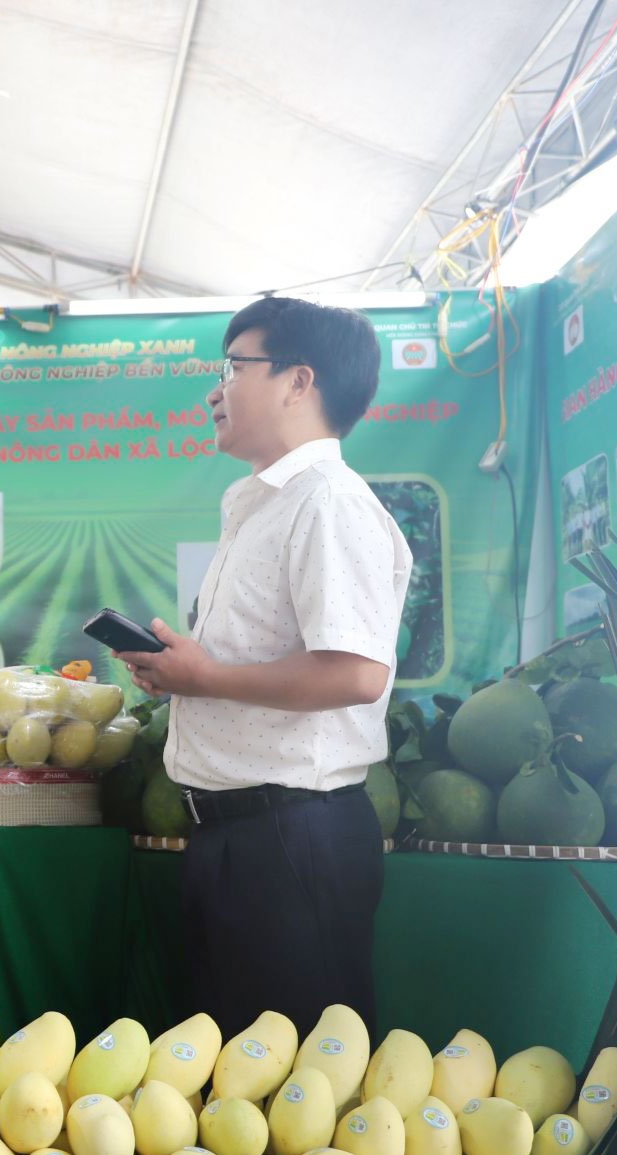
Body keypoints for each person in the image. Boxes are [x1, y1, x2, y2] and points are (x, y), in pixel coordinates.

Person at [117, 297, 408, 1036]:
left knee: (297, 1095)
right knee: (240, 1088)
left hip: (292, 838)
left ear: (297, 382)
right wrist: (183, 674)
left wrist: (206, 677)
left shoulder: (330, 502)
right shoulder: (263, 505)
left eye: (232, 368)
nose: (214, 391)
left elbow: (356, 672)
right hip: (238, 836)